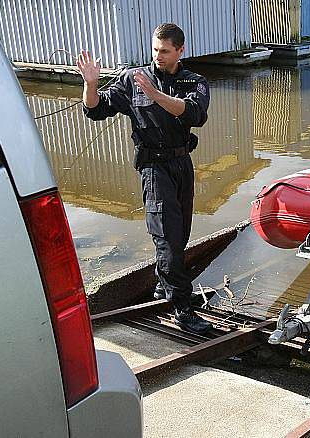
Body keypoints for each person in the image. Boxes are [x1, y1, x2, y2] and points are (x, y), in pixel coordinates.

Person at [77, 23, 212, 333]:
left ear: (180, 50)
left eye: (165, 51)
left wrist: (156, 95)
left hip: (182, 165)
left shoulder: (195, 81)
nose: (158, 56)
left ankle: (162, 287)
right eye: (155, 50)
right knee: (166, 237)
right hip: (154, 169)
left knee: (179, 236)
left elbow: (195, 115)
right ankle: (182, 309)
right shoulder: (132, 79)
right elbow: (96, 110)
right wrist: (91, 84)